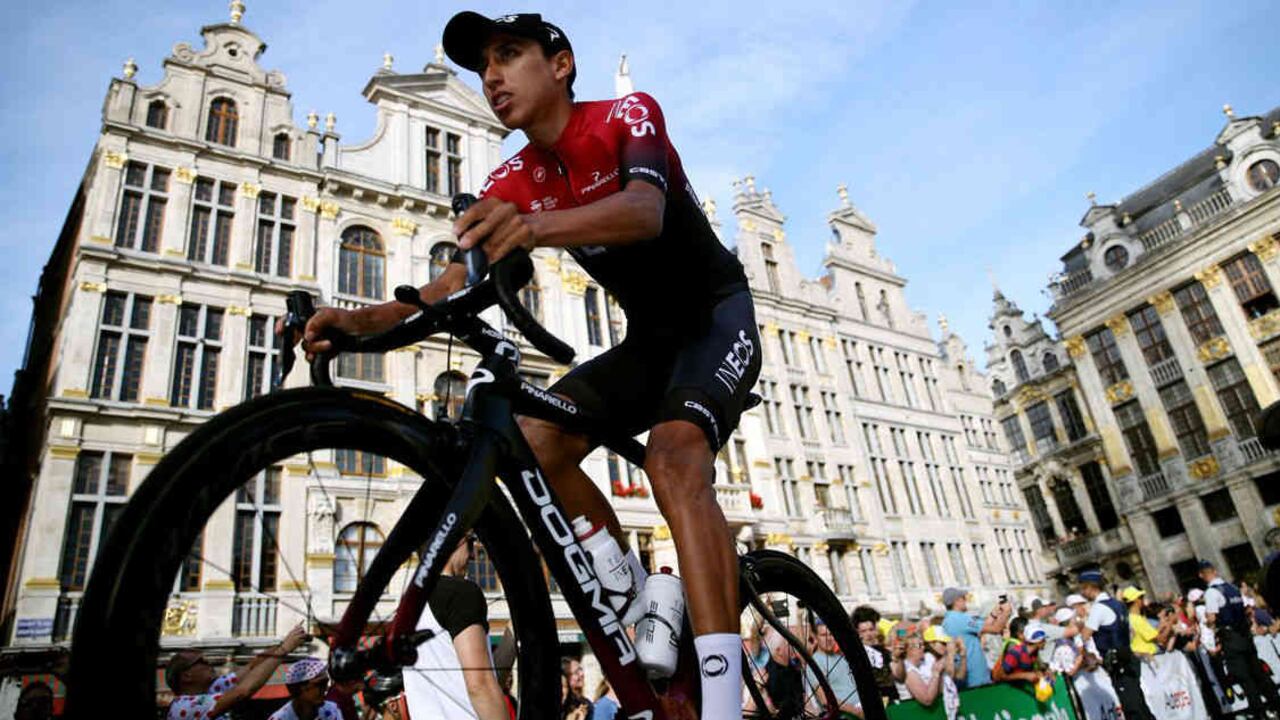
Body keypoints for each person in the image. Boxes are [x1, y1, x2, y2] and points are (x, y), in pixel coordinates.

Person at [300, 11, 761, 718]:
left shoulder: (626, 114)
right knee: (535, 438)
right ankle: (642, 599)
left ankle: (725, 704)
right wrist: (356, 326)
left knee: (672, 458)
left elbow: (644, 210)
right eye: (482, 65)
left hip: (715, 320)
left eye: (508, 54)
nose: (491, 76)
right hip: (648, 345)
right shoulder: (513, 176)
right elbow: (447, 288)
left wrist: (534, 228)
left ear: (561, 64)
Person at [403, 533, 508, 720]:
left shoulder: (408, 602)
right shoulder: (460, 592)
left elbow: (485, 679)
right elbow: (480, 685)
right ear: (457, 540)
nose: (473, 556)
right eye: (470, 542)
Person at [166, 623, 309, 720]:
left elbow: (251, 668)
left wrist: (283, 643)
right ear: (187, 676)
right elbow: (242, 692)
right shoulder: (184, 706)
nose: (208, 663)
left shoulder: (210, 688)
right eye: (201, 662)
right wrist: (284, 650)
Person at [1200, 559, 1280, 716]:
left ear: (1202, 575)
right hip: (1244, 635)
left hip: (1230, 637)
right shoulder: (1232, 588)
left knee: (1244, 677)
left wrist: (1207, 623)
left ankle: (1259, 713)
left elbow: (1212, 618)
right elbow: (1247, 609)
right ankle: (1276, 704)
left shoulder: (1211, 592)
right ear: (1214, 571)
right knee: (1258, 673)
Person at [1077, 569, 1156, 720]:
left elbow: (1085, 635)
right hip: (1128, 657)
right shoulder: (1119, 605)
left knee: (1132, 707)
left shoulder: (1098, 608)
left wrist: (1080, 622)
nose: (1082, 592)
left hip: (1117, 661)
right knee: (1139, 703)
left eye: (1083, 588)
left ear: (1090, 587)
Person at [940, 587, 1011, 689]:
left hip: (967, 677)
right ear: (957, 601)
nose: (966, 601)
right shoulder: (960, 618)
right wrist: (1006, 612)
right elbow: (996, 629)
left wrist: (994, 614)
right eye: (964, 598)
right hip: (975, 678)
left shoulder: (949, 620)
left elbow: (982, 628)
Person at [804, 619, 862, 718]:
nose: (828, 638)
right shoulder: (815, 663)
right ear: (816, 637)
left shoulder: (840, 658)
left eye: (831, 634)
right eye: (823, 635)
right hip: (847, 714)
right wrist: (856, 712)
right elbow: (825, 700)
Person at [902, 629, 960, 720]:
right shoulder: (908, 670)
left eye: (923, 645)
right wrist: (936, 673)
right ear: (907, 649)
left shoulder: (924, 662)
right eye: (919, 645)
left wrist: (940, 672)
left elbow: (940, 689)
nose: (923, 648)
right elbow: (927, 699)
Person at [851, 605, 899, 705]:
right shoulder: (855, 655)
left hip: (892, 701)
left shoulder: (885, 652)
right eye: (863, 631)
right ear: (858, 633)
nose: (869, 634)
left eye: (871, 629)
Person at [268, 658, 343, 720]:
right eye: (320, 684)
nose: (326, 688)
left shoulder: (332, 710)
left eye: (326, 682)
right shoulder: (280, 718)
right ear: (299, 689)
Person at [1121, 586, 1172, 658]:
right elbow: (1161, 639)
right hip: (1154, 656)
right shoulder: (1138, 620)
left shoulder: (1128, 618)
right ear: (1136, 600)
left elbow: (1150, 635)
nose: (1143, 600)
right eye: (1141, 597)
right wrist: (1170, 625)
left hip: (1142, 657)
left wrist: (1160, 627)